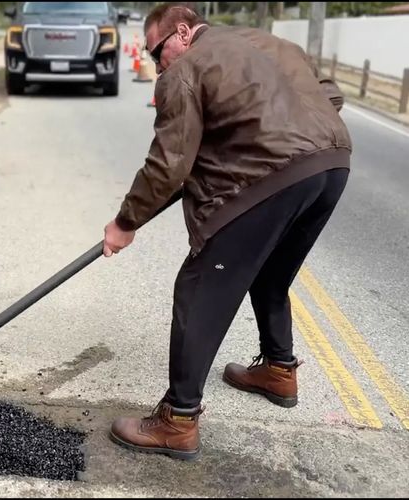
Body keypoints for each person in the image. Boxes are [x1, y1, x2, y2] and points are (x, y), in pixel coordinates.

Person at [102, 3, 351, 461]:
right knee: (271, 275)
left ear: (181, 32)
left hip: (267, 178)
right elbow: (330, 95)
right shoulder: (267, 42)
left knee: (199, 289)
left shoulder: (185, 70)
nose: (157, 64)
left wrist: (125, 223)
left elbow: (168, 165)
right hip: (331, 166)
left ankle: (177, 421)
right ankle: (278, 370)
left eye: (157, 52)